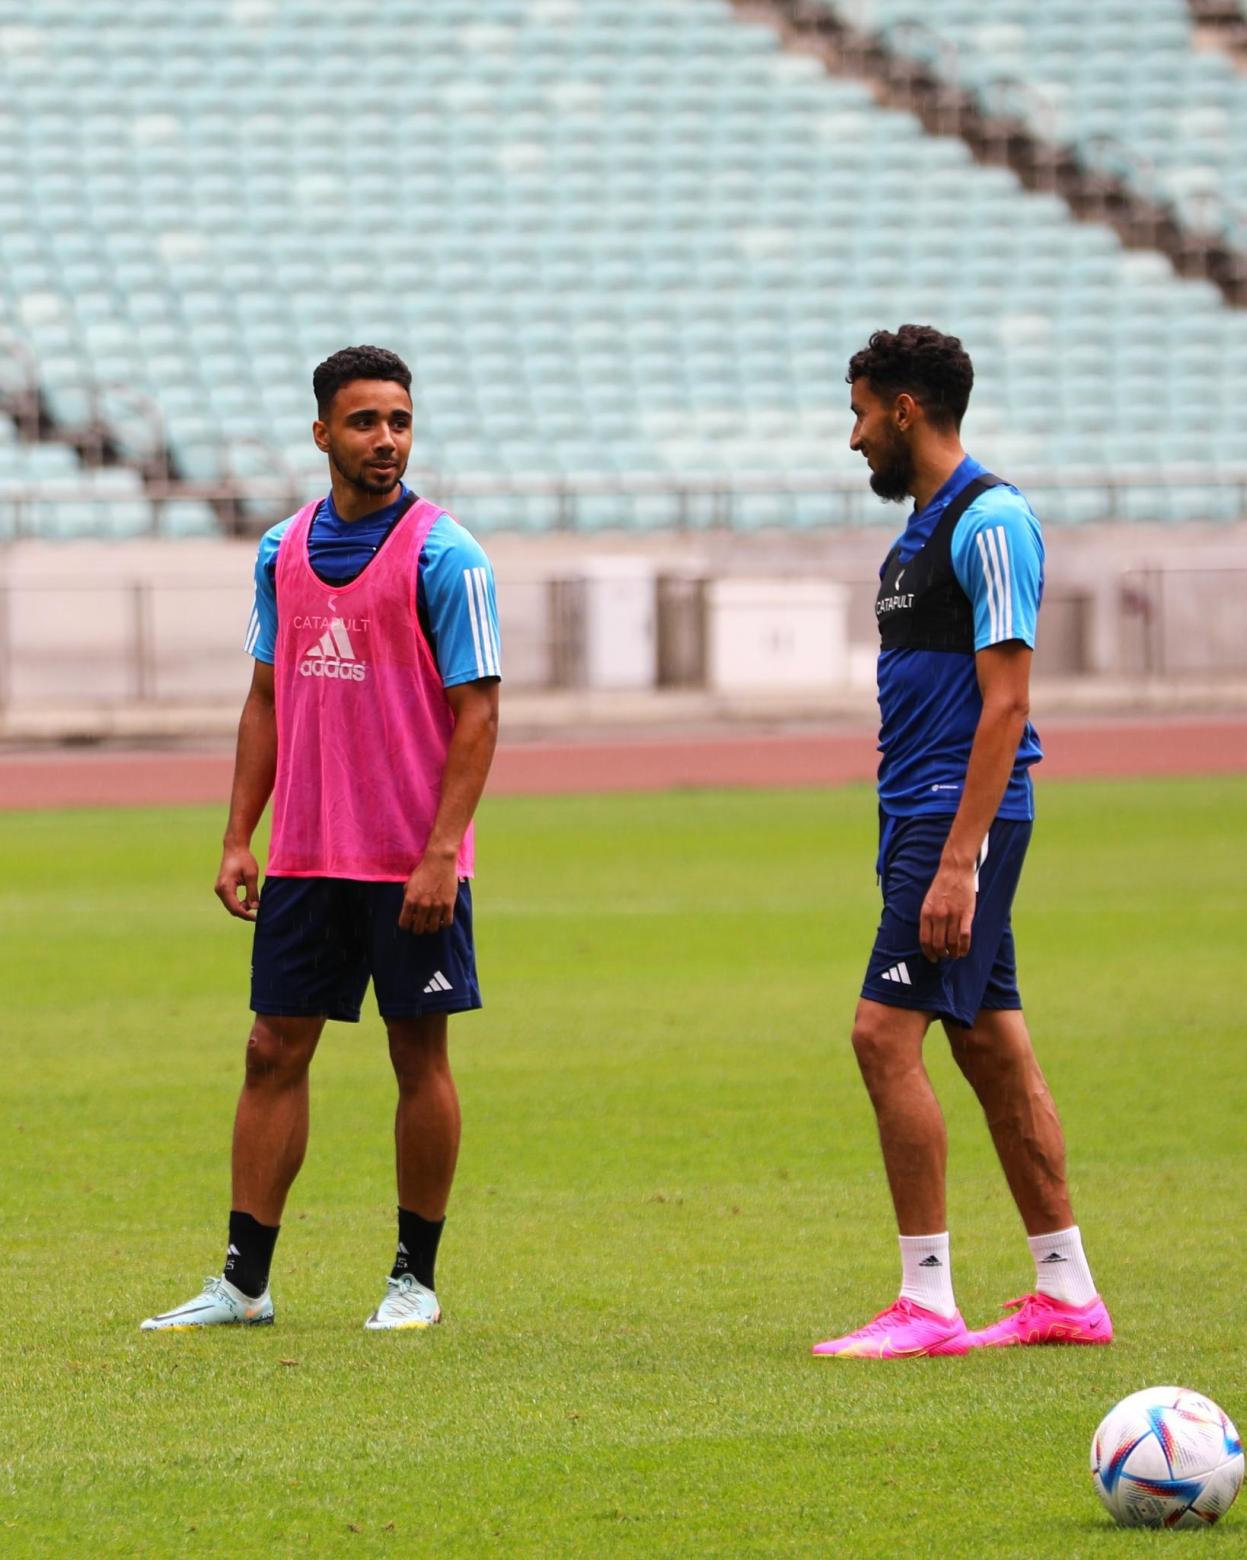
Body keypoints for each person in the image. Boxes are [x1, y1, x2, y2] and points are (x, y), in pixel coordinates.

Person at [142, 345, 500, 1332]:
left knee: (416, 1056)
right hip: (305, 854)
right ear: (321, 434)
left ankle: (413, 1281)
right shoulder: (280, 550)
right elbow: (265, 698)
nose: (385, 439)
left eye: (399, 422)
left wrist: (441, 852)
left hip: (409, 861)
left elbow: (478, 714)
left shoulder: (447, 555)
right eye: (364, 422)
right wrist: (237, 835)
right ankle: (243, 1285)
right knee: (270, 1051)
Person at [813, 325, 1111, 1359]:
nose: (853, 437)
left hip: (954, 819)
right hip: (919, 813)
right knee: (988, 1043)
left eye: (860, 414)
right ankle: (1064, 1290)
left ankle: (926, 1301)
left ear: (904, 409)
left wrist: (954, 858)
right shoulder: (920, 532)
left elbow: (1006, 704)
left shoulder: (990, 522)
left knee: (879, 1036)